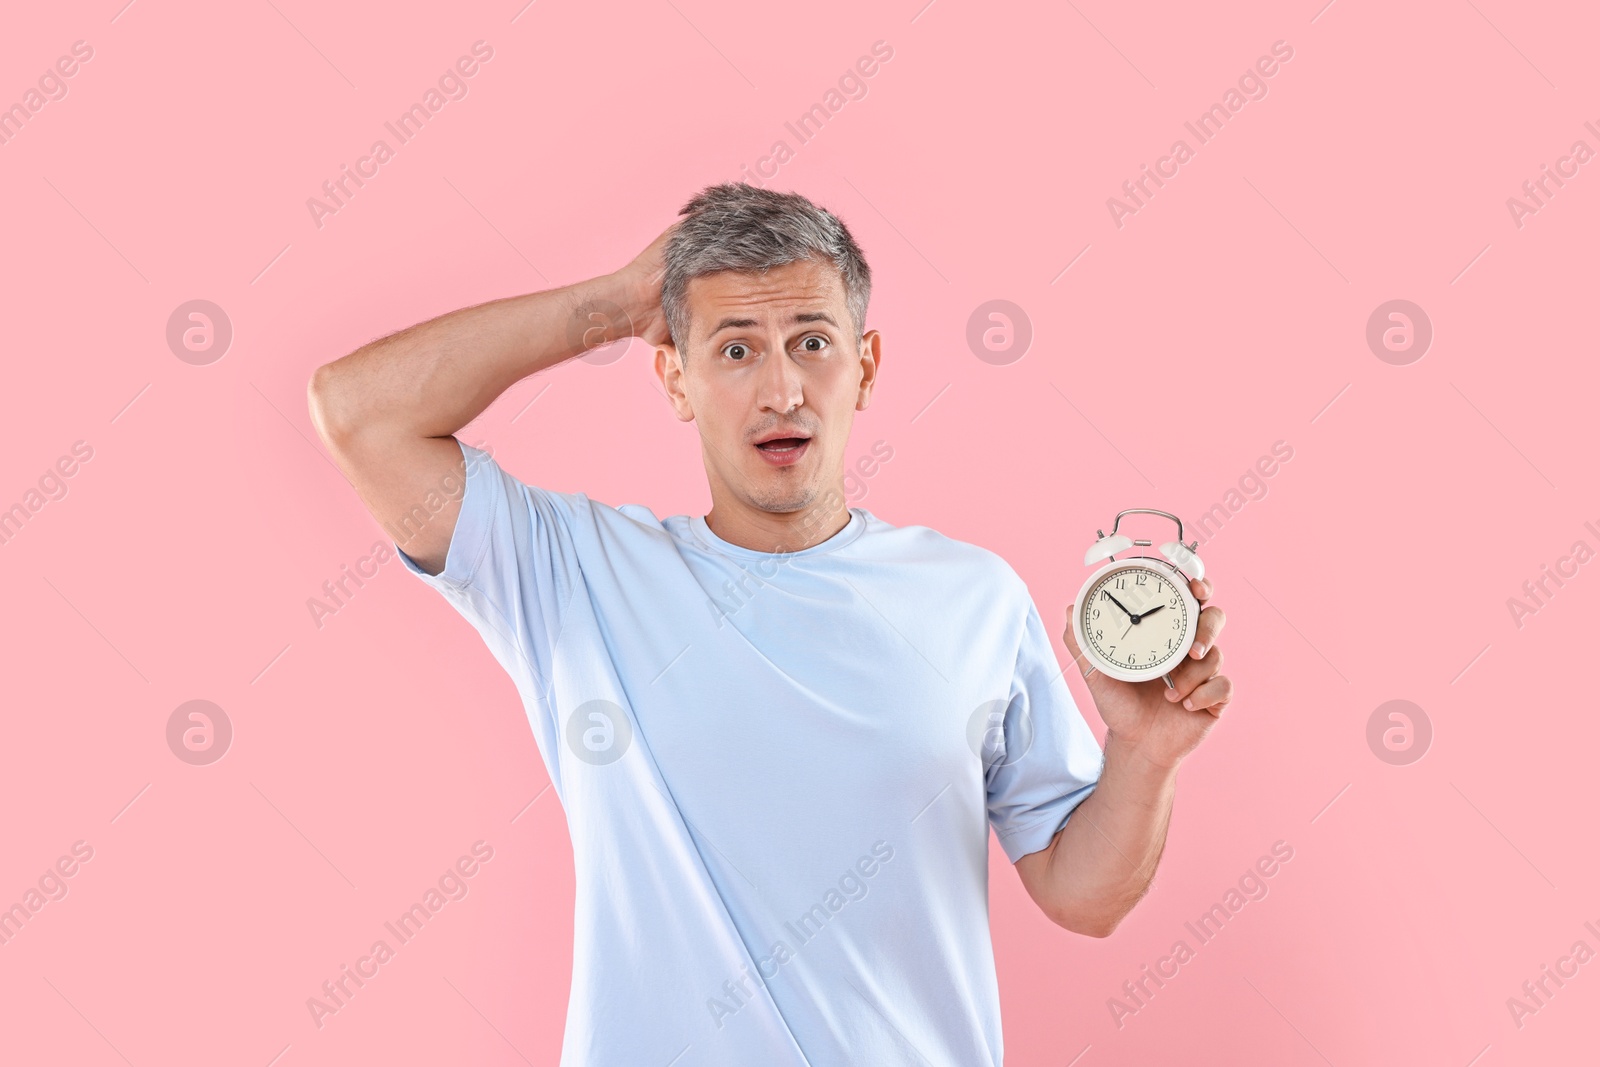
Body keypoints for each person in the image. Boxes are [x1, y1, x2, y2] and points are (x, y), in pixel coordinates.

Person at [307, 182, 1231, 1065]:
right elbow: (358, 414)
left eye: (814, 342)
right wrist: (618, 300)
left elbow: (1083, 895)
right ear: (675, 378)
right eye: (736, 349)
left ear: (865, 368)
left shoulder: (973, 595)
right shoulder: (572, 574)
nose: (782, 388)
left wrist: (1144, 755)